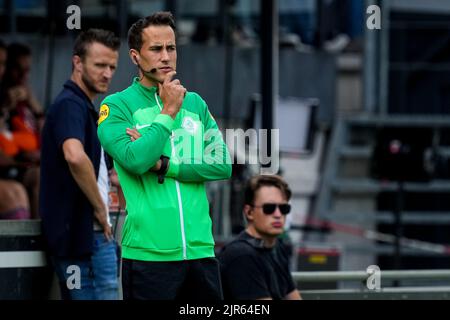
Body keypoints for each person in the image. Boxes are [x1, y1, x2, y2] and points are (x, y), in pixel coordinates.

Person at [97, 11, 232, 300]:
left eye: (171, 48)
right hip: (149, 256)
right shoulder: (116, 106)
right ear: (135, 57)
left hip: (201, 251)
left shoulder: (194, 102)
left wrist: (165, 165)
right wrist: (167, 112)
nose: (166, 57)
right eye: (156, 49)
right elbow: (135, 160)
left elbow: (222, 165)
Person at [39, 29, 121, 300]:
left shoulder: (81, 106)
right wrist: (100, 208)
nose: (107, 73)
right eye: (99, 65)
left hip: (86, 236)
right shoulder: (71, 104)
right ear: (77, 63)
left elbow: (89, 162)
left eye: (112, 66)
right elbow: (74, 155)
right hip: (85, 236)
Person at [218, 175, 302, 300]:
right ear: (249, 212)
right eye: (269, 208)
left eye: (284, 208)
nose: (278, 215)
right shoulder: (241, 256)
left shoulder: (277, 247)